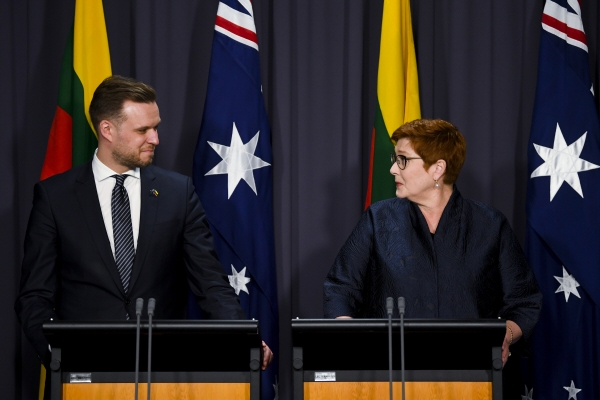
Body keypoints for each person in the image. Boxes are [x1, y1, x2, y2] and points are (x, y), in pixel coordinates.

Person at [15, 75, 273, 370]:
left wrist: (241, 336)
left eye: (156, 127)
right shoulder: (54, 197)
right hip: (82, 372)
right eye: (143, 130)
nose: (155, 139)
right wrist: (60, 357)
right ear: (107, 130)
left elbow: (211, 283)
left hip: (162, 371)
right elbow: (35, 296)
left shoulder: (179, 193)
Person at [323, 118, 542, 365]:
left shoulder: (490, 225)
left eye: (402, 160)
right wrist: (346, 331)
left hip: (472, 373)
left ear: (437, 169)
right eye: (395, 160)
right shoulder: (378, 219)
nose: (393, 169)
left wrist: (506, 334)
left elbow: (524, 302)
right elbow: (340, 288)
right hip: (392, 374)